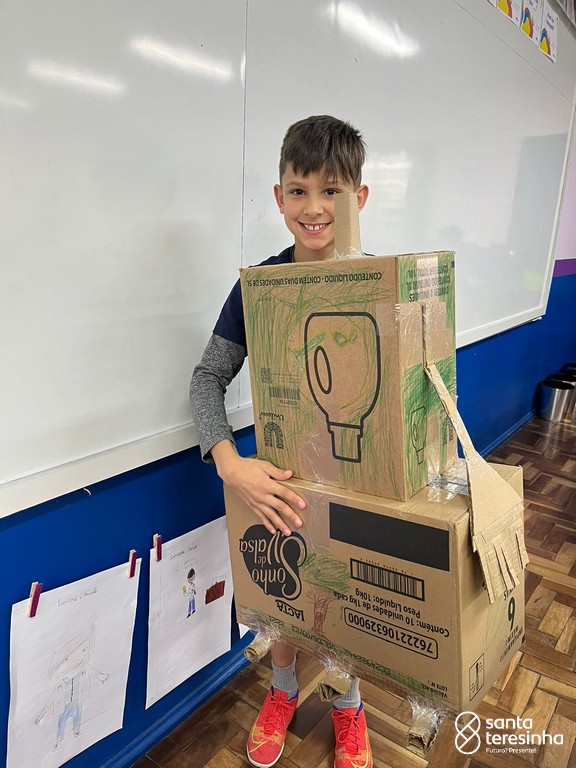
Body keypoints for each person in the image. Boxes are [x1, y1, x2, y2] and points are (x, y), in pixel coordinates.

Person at [190, 115, 371, 768]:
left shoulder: (379, 282)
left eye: (331, 191)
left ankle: (350, 705)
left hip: (360, 485)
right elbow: (207, 377)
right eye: (299, 190)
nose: (314, 207)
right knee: (287, 596)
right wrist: (229, 463)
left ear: (358, 198)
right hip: (282, 484)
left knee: (350, 601)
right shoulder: (258, 288)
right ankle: (285, 687)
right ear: (279, 197)